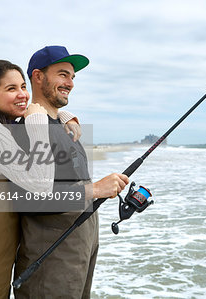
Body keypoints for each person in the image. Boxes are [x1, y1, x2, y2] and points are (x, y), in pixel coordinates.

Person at [0, 59, 127, 298]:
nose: (22, 95)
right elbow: (40, 184)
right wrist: (39, 123)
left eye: (23, 87)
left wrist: (61, 115)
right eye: (11, 89)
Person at [13, 46, 128, 299]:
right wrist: (96, 189)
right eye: (63, 74)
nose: (70, 83)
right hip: (50, 260)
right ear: (38, 76)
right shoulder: (30, 128)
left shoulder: (64, 125)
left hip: (81, 248)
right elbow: (30, 199)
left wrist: (64, 116)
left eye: (73, 77)